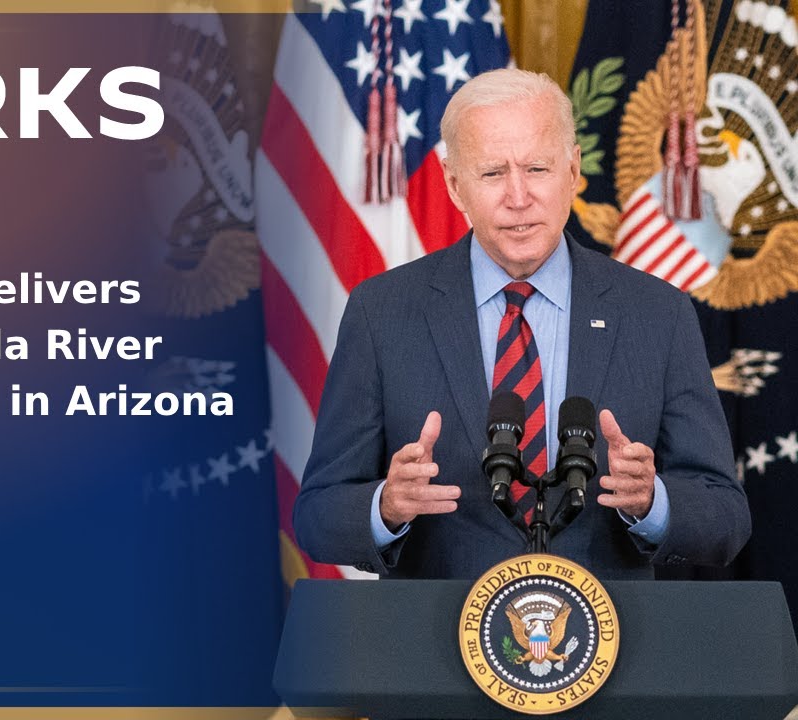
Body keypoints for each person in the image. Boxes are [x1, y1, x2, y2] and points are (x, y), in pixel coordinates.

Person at [293, 68, 750, 580]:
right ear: (454, 183)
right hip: (434, 647)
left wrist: (652, 501)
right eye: (492, 173)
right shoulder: (383, 313)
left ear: (573, 170)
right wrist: (385, 507)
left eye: (537, 168)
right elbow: (317, 516)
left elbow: (725, 517)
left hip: (614, 647)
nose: (517, 197)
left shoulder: (658, 313)